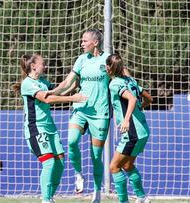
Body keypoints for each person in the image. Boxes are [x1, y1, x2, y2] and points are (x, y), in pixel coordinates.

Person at [45, 28, 110, 203]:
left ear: (95, 42)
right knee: (72, 141)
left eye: (84, 41)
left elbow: (122, 77)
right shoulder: (81, 59)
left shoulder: (108, 59)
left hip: (100, 113)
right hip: (80, 109)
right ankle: (79, 174)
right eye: (81, 41)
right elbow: (67, 83)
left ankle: (97, 193)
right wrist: (51, 92)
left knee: (96, 156)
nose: (81, 44)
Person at [13, 54, 87, 203]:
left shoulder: (43, 82)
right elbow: (47, 98)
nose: (45, 66)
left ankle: (50, 197)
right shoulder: (27, 84)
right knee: (49, 162)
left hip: (51, 129)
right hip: (36, 129)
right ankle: (46, 200)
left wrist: (77, 80)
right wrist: (73, 98)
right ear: (33, 66)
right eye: (43, 64)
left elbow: (61, 91)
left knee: (59, 163)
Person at [105, 54, 152, 203]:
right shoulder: (131, 81)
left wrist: (126, 120)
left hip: (133, 132)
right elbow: (149, 99)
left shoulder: (114, 84)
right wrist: (138, 109)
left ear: (108, 68)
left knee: (114, 167)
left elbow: (131, 99)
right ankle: (141, 197)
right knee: (127, 164)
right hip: (143, 130)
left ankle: (123, 201)